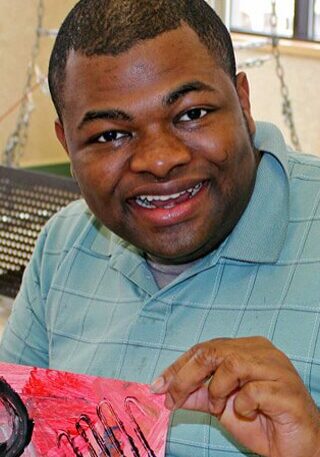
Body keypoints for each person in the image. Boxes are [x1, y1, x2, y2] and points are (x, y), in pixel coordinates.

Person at [1, 0, 320, 455]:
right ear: (66, 145)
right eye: (110, 134)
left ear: (243, 102)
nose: (159, 159)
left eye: (192, 114)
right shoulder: (64, 245)